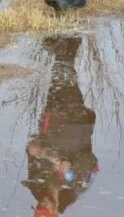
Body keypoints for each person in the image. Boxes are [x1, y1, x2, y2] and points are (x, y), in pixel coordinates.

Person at [23, 35, 99, 216]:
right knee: (64, 79)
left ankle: (69, 42)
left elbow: (33, 153)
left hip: (51, 120)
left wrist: (32, 148)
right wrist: (71, 164)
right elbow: (92, 162)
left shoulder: (35, 184)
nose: (42, 203)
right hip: (74, 124)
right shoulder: (76, 188)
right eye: (45, 209)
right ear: (55, 212)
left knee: (59, 79)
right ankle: (67, 42)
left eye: (39, 208)